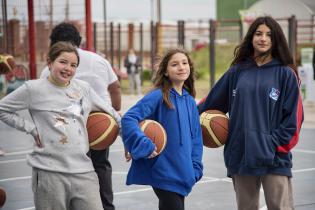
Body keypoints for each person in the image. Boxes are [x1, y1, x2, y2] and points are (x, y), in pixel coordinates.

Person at [198, 16, 304, 210]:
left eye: (269, 35)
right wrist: (176, 112)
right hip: (240, 155)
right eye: (258, 34)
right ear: (251, 37)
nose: (263, 38)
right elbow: (209, 103)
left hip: (274, 158)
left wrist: (270, 144)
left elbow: (294, 121)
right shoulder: (237, 72)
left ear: (276, 40)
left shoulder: (286, 74)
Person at [0, 41, 121, 209]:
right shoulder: (33, 89)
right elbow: (2, 109)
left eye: (73, 65)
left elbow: (112, 113)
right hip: (49, 173)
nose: (68, 68)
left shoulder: (84, 88)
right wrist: (31, 128)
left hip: (83, 171)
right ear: (50, 63)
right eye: (63, 62)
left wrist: (129, 139)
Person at [40, 22, 120, 210]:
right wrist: (112, 116)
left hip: (68, 128)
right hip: (100, 123)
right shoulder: (98, 60)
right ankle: (106, 206)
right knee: (100, 167)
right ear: (79, 40)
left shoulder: (50, 68)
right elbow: (115, 87)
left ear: (54, 44)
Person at [122, 48, 203, 210]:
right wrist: (142, 143)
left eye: (184, 63)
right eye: (174, 64)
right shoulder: (158, 95)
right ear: (165, 72)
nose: (181, 67)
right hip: (163, 172)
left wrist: (195, 167)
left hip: (184, 172)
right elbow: (129, 118)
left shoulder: (190, 101)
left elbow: (196, 138)